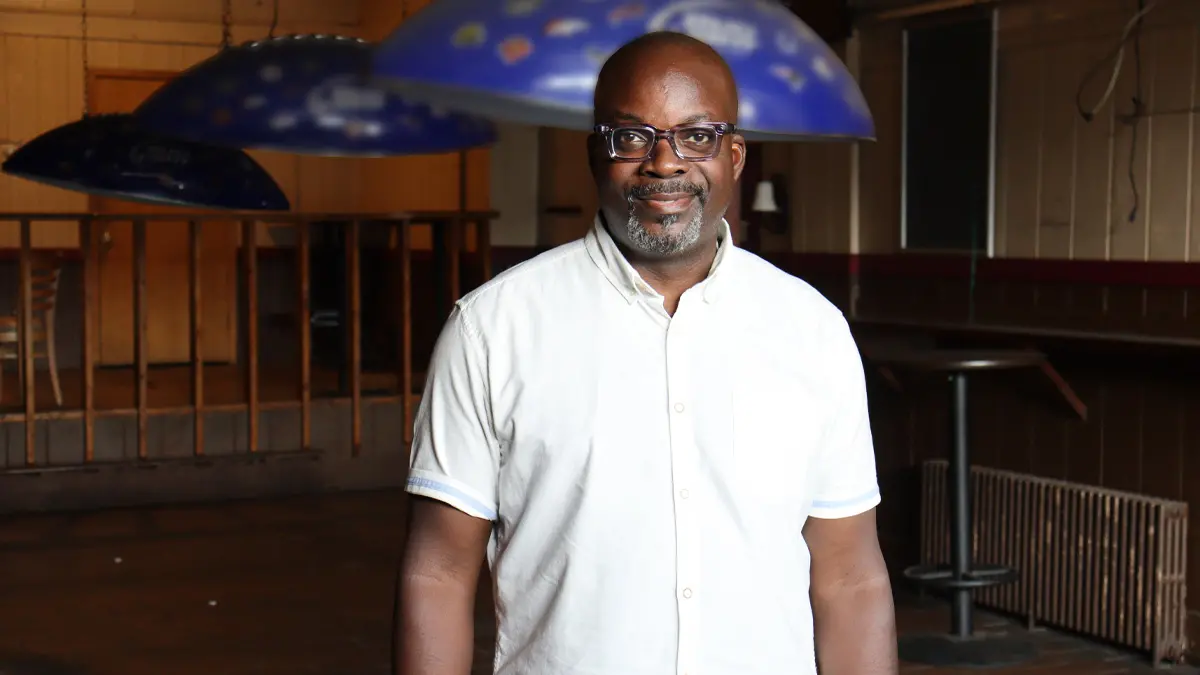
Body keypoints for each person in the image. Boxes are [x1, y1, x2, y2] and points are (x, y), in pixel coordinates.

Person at [396, 31, 898, 675]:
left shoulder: (812, 331)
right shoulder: (492, 328)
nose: (665, 163)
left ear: (735, 156)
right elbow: (438, 571)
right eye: (631, 137)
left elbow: (850, 577)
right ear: (594, 155)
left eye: (697, 136)